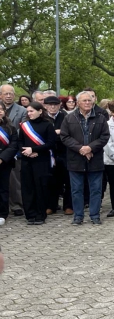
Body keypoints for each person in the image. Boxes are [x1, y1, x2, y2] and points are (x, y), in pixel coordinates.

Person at [60, 91, 110, 225]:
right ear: (78, 103)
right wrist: (80, 148)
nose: (87, 103)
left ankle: (94, 215)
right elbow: (64, 136)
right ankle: (78, 216)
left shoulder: (100, 118)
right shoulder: (69, 118)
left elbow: (105, 136)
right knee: (76, 190)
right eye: (84, 101)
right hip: (75, 160)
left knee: (96, 189)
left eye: (89, 100)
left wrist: (90, 148)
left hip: (95, 159)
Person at [19, 102, 57, 224]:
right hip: (26, 161)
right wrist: (27, 152)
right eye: (28, 111)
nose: (29, 113)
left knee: (40, 187)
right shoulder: (24, 125)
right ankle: (30, 215)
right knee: (28, 188)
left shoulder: (47, 125)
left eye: (31, 111)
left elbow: (51, 143)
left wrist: (35, 150)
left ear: (40, 111)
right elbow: (19, 142)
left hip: (41, 161)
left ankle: (41, 215)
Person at [43, 96, 72, 215]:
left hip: (65, 152)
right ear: (45, 106)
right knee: (51, 180)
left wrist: (58, 133)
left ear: (60, 105)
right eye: (50, 104)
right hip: (49, 153)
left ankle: (68, 206)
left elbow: (70, 132)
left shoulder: (66, 117)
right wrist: (56, 133)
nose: (53, 106)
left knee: (68, 180)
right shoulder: (42, 118)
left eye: (55, 104)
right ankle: (51, 205)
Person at [1, 84, 26, 217]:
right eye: (6, 93)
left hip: (14, 150)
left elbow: (22, 129)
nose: (9, 96)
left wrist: (10, 137)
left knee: (15, 180)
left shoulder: (22, 110)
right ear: (1, 95)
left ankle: (16, 205)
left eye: (11, 93)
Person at [0, 103, 20, 226]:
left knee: (3, 188)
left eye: (1, 109)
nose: (0, 111)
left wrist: (2, 158)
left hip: (4, 162)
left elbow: (14, 145)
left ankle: (2, 213)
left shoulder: (10, 127)